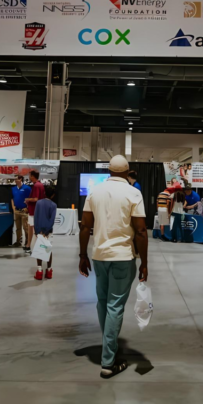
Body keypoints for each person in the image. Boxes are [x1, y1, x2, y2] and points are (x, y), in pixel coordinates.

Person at [79, 155, 148, 379]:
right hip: (123, 256)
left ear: (109, 171)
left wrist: (82, 255)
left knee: (103, 302)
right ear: (128, 172)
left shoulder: (94, 192)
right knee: (115, 305)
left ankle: (108, 345)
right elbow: (140, 231)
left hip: (99, 255)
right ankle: (108, 361)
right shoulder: (133, 192)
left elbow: (85, 226)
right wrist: (145, 262)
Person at [33, 185, 57, 279]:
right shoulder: (53, 205)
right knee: (48, 249)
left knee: (39, 248)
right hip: (48, 231)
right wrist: (47, 231)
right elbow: (52, 219)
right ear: (53, 195)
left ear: (44, 193)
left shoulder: (38, 203)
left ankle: (39, 270)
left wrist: (37, 230)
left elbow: (36, 217)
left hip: (39, 230)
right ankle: (49, 270)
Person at [25, 171, 46, 254]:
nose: (29, 177)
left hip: (34, 211)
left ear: (33, 176)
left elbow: (35, 199)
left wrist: (27, 199)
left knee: (34, 230)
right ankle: (29, 246)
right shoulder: (39, 185)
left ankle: (34, 247)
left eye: (29, 175)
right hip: (36, 211)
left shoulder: (36, 185)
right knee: (34, 229)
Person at [10, 175, 31, 248]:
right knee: (18, 227)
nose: (15, 181)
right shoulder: (13, 188)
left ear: (20, 179)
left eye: (16, 179)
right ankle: (18, 241)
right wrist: (13, 207)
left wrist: (28, 208)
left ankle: (27, 242)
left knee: (26, 227)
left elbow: (30, 198)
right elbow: (12, 198)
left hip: (24, 210)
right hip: (16, 210)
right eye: (14, 179)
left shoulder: (27, 188)